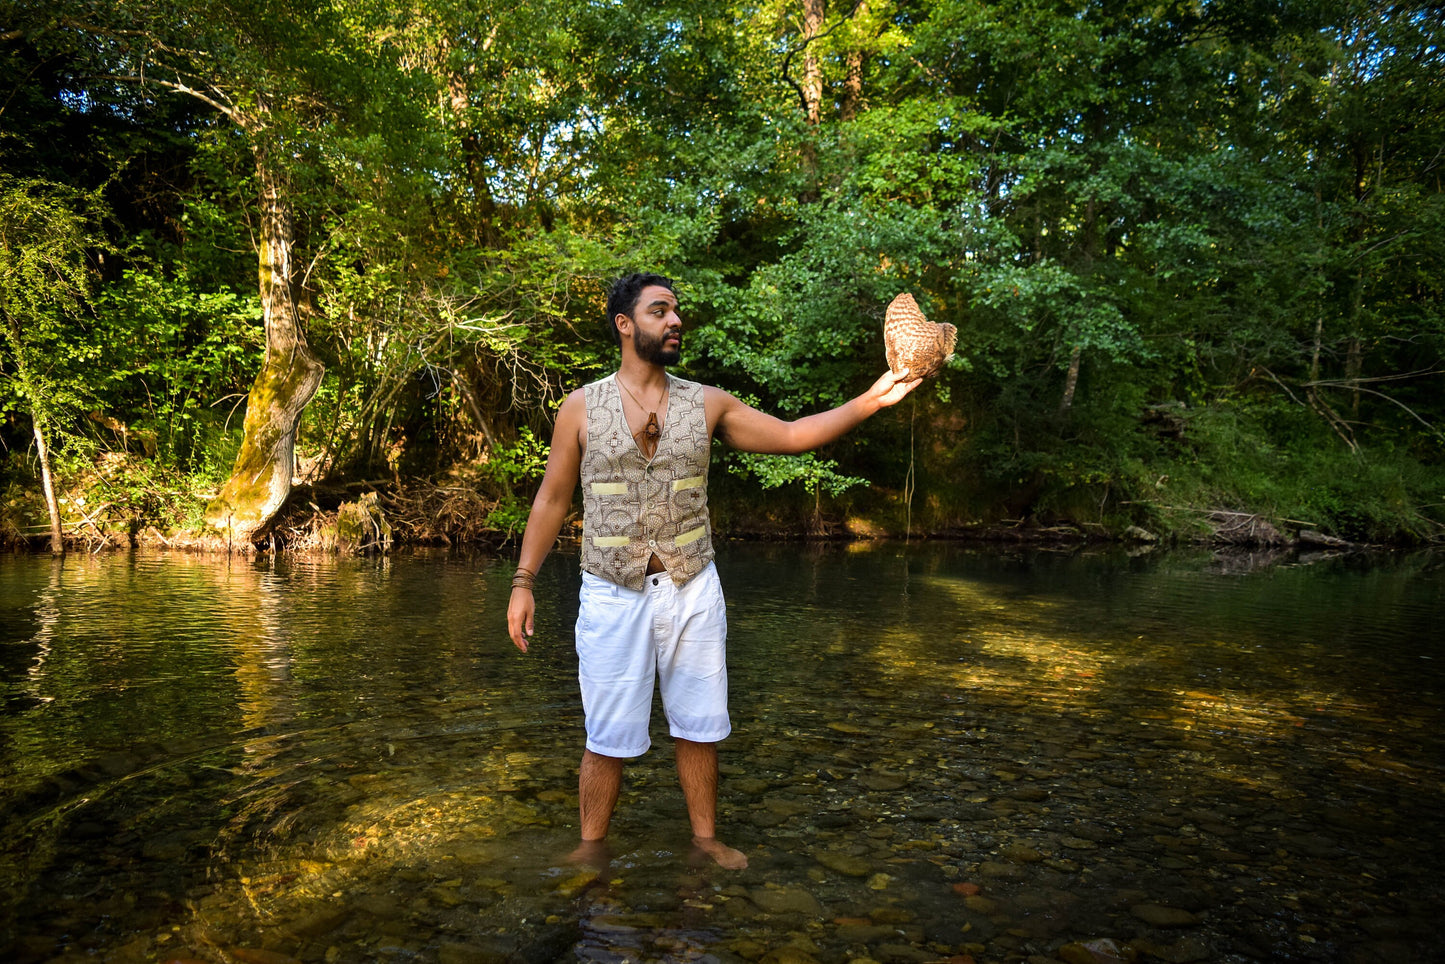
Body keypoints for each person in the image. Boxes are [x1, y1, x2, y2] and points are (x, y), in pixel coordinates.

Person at [506, 272, 919, 869]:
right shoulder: (580, 408)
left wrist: (875, 398)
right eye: (659, 311)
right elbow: (550, 499)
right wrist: (523, 583)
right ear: (625, 325)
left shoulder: (707, 402)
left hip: (692, 585)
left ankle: (705, 841)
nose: (674, 320)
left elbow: (794, 436)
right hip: (610, 591)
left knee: (698, 724)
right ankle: (590, 850)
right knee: (606, 735)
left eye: (676, 311)